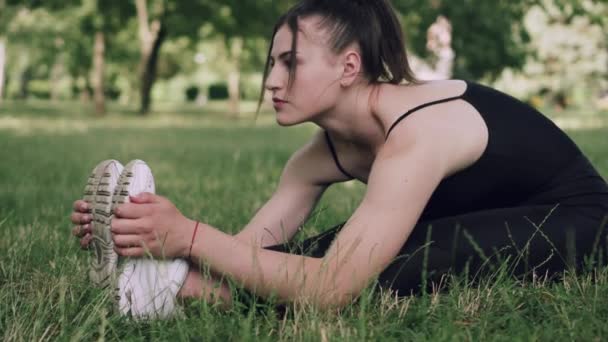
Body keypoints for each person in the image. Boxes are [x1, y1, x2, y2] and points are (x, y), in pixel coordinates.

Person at [70, 0, 608, 318]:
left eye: (290, 62)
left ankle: (172, 287)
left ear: (349, 66)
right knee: (318, 251)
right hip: (471, 215)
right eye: (271, 63)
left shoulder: (418, 134)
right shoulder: (315, 158)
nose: (272, 81)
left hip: (577, 219)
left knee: (386, 267)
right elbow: (250, 251)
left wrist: (187, 236)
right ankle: (161, 280)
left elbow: (332, 290)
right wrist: (144, 230)